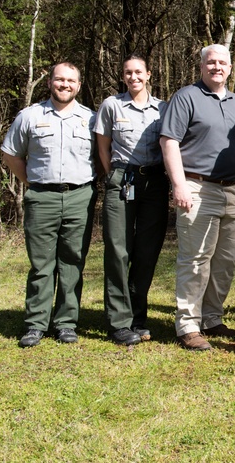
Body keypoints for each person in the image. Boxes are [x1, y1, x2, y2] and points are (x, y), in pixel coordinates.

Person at [159, 44, 235, 351]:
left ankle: (212, 317)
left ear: (229, 67)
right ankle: (188, 323)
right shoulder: (186, 97)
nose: (217, 67)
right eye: (211, 62)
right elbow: (169, 141)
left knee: (226, 259)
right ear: (202, 66)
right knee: (196, 258)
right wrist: (179, 184)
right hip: (198, 187)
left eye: (222, 63)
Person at [1, 62, 97, 348]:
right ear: (50, 83)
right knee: (42, 264)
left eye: (71, 80)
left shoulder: (91, 119)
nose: (64, 85)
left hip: (80, 196)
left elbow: (101, 159)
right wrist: (31, 182)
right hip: (41, 197)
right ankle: (35, 324)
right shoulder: (29, 116)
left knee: (72, 261)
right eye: (59, 79)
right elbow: (11, 154)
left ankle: (66, 323)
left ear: (79, 86)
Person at [94, 55, 169, 346]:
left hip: (154, 183)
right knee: (118, 250)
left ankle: (138, 317)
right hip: (122, 180)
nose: (133, 76)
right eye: (128, 72)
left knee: (146, 251)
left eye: (139, 71)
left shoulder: (163, 108)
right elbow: (103, 147)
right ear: (123, 76)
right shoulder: (111, 105)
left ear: (149, 74)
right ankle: (119, 322)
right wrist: (115, 174)